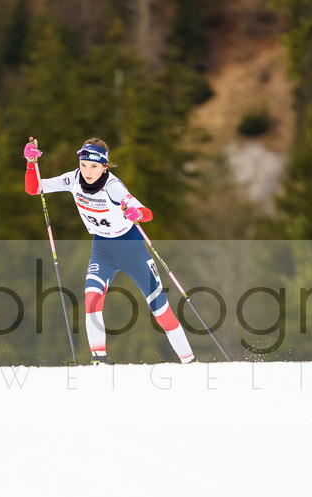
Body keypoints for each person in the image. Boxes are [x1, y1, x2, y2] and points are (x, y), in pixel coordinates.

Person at [24, 137, 196, 365]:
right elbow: (34, 188)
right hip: (102, 249)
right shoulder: (73, 179)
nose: (87, 171)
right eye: (84, 165)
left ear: (105, 166)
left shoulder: (112, 186)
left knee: (159, 308)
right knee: (91, 299)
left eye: (94, 166)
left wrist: (137, 214)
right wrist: (30, 162)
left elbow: (146, 212)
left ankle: (189, 361)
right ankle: (99, 361)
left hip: (131, 248)